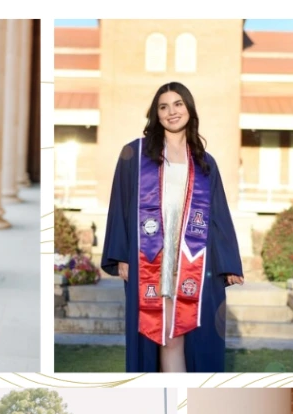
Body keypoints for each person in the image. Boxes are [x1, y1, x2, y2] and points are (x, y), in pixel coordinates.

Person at [100, 82, 244, 373]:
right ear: (156, 114)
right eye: (163, 106)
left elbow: (219, 216)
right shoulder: (135, 154)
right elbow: (120, 205)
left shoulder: (204, 162)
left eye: (178, 104)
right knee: (163, 332)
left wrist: (228, 262)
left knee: (179, 333)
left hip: (192, 258)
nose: (171, 112)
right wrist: (120, 255)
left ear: (189, 108)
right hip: (151, 257)